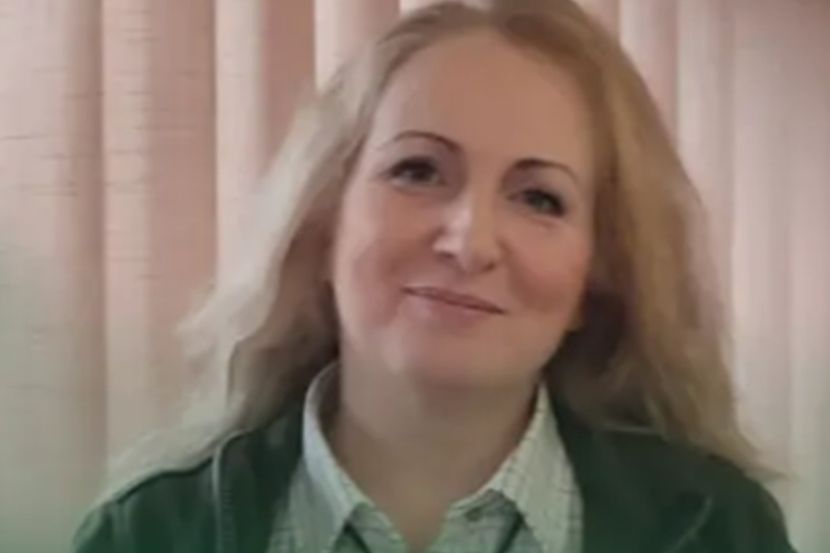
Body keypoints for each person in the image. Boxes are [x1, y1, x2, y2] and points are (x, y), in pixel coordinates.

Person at [72, 1, 797, 552]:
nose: (469, 242)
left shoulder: (721, 530)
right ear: (324, 220)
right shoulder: (146, 534)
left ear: (598, 274)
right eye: (418, 170)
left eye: (539, 198)